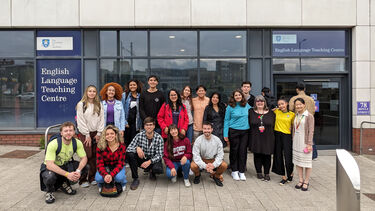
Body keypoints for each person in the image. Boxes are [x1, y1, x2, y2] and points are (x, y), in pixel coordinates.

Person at [41, 122, 88, 204]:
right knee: (50, 177)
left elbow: (84, 158)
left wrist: (78, 171)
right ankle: (49, 192)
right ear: (61, 133)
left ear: (74, 132)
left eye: (71, 130)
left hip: (64, 165)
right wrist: (68, 174)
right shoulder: (54, 144)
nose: (68, 133)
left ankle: (63, 184)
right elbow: (49, 165)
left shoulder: (77, 142)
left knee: (86, 167)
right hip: (50, 168)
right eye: (66, 131)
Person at [76, 85, 105, 188]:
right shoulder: (81, 104)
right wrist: (87, 135)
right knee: (86, 155)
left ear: (96, 93)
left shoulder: (99, 104)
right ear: (86, 92)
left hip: (96, 133)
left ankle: (92, 177)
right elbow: (80, 121)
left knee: (94, 156)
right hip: (85, 133)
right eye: (90, 91)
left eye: (94, 91)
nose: (92, 93)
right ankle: (82, 179)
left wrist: (99, 134)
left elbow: (102, 119)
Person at [126, 117, 164, 190]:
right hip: (143, 158)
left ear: (154, 126)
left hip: (153, 160)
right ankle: (135, 179)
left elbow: (160, 155)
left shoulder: (159, 138)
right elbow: (128, 149)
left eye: (150, 125)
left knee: (158, 169)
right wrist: (137, 148)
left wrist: (150, 161)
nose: (149, 127)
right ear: (144, 126)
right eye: (147, 125)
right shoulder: (139, 135)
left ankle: (152, 171)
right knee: (130, 154)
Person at [224, 90, 250, 181]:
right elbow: (226, 120)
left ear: (242, 96)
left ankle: (241, 171)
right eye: (236, 95)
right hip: (233, 131)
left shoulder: (246, 105)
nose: (238, 96)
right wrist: (225, 133)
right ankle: (234, 171)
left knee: (243, 151)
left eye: (239, 95)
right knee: (234, 151)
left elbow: (255, 112)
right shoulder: (230, 107)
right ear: (233, 97)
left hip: (245, 132)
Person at [191, 122, 227, 187]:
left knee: (224, 165)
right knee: (193, 165)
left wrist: (213, 165)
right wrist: (205, 166)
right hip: (202, 159)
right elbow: (196, 156)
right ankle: (197, 175)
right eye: (205, 129)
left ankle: (216, 176)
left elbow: (220, 155)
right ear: (202, 129)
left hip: (213, 159)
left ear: (212, 129)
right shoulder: (198, 140)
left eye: (208, 129)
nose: (206, 130)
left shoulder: (217, 140)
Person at [249, 95, 275, 181]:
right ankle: (259, 172)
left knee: (267, 156)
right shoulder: (251, 112)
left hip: (268, 138)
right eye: (258, 101)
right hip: (255, 137)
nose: (260, 103)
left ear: (265, 103)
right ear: (255, 103)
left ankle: (267, 173)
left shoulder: (271, 113)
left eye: (262, 101)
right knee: (257, 155)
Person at [288, 83, 318, 160]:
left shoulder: (293, 98)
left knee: (299, 139)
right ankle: (312, 155)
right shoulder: (311, 99)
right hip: (309, 120)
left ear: (297, 89)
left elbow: (290, 109)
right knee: (310, 137)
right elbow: (314, 110)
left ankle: (299, 155)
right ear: (304, 89)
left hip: (298, 121)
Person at [95, 125, 127, 193]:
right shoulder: (100, 146)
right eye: (107, 134)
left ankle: (122, 183)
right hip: (105, 167)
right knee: (98, 178)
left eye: (112, 133)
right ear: (104, 136)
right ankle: (101, 185)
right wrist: (105, 175)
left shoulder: (122, 146)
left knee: (119, 178)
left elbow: (120, 164)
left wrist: (111, 175)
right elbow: (99, 164)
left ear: (116, 135)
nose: (110, 136)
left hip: (117, 166)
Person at [271, 97, 295, 185]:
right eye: (279, 104)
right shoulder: (276, 111)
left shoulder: (292, 114)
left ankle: (290, 173)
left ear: (287, 104)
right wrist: (274, 109)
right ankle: (283, 176)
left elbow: (294, 126)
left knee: (288, 156)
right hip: (277, 135)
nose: (281, 106)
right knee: (278, 155)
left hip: (287, 136)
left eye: (282, 104)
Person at [292, 98, 314, 191]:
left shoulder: (309, 116)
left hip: (305, 142)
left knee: (307, 163)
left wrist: (309, 144)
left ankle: (306, 181)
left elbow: (311, 130)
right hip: (296, 141)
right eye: (296, 105)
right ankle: (300, 180)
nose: (298, 106)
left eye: (300, 104)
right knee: (298, 162)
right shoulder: (296, 115)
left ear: (304, 104)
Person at [122, 79, 143, 148]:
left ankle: (132, 158)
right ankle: (126, 158)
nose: (132, 86)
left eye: (134, 85)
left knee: (134, 142)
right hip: (126, 124)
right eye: (130, 85)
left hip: (136, 124)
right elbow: (121, 110)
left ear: (137, 86)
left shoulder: (140, 96)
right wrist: (125, 122)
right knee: (125, 142)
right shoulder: (124, 95)